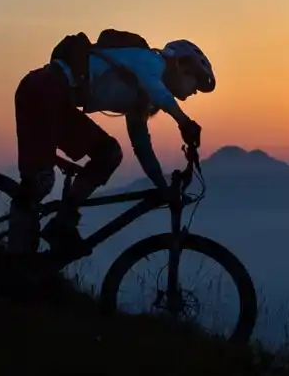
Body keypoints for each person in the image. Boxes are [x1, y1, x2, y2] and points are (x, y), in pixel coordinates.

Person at [11, 34, 214, 257]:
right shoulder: (150, 60)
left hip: (58, 101)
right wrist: (184, 122)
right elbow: (158, 90)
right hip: (42, 90)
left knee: (109, 153)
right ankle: (14, 256)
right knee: (40, 181)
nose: (194, 91)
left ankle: (63, 222)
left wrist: (161, 187)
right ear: (182, 67)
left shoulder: (142, 96)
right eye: (195, 81)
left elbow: (141, 146)